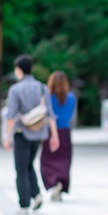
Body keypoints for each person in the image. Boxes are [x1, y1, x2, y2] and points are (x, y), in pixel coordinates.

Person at [2, 55, 60, 212]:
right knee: (28, 165)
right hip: (39, 134)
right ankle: (36, 195)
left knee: (21, 169)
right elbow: (50, 114)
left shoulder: (16, 89)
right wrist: (54, 136)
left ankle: (24, 204)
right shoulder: (42, 88)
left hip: (22, 133)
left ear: (19, 70)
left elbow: (11, 116)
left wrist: (7, 137)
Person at [41, 71, 77, 202]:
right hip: (65, 132)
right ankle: (61, 184)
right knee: (64, 160)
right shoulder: (71, 97)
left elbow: (46, 115)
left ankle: (53, 182)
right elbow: (71, 114)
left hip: (51, 132)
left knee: (47, 160)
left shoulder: (48, 97)